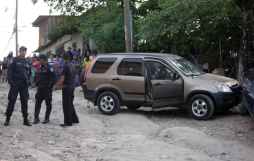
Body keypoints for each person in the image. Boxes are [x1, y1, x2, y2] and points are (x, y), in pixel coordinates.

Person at [4, 46, 32, 126]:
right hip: (15, 83)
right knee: (12, 100)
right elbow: (10, 70)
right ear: (19, 51)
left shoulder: (28, 62)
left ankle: (25, 120)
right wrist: (11, 82)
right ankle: (7, 119)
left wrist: (29, 81)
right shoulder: (15, 60)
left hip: (24, 84)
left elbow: (30, 73)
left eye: (25, 51)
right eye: (22, 51)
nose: (24, 52)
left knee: (24, 101)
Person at [53, 52, 79, 127]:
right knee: (71, 103)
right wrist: (73, 84)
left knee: (66, 105)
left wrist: (55, 85)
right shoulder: (72, 66)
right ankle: (75, 119)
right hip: (71, 86)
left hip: (66, 87)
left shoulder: (65, 66)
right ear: (69, 58)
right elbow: (76, 77)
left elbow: (62, 79)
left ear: (62, 58)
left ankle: (68, 122)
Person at [32, 54, 56, 124]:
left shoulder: (50, 68)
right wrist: (36, 84)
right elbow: (41, 79)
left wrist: (49, 86)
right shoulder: (41, 67)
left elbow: (54, 78)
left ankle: (46, 118)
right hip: (40, 88)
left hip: (47, 89)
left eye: (39, 59)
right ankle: (36, 118)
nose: (38, 61)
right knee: (37, 102)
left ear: (43, 59)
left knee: (48, 103)